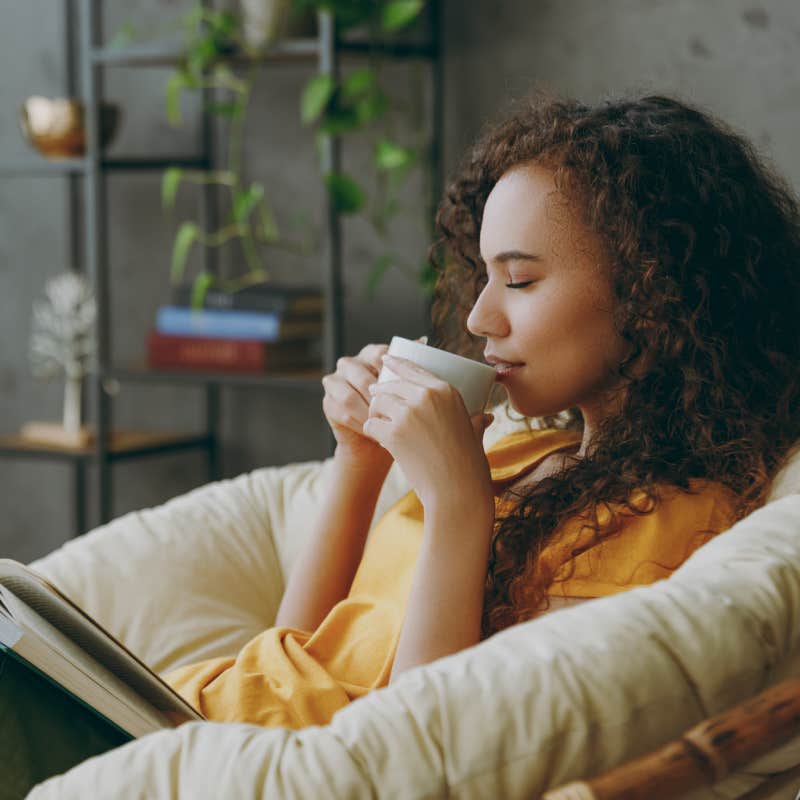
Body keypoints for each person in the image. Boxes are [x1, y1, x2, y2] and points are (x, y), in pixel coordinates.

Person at [163, 92, 800, 729]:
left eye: (519, 281)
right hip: (191, 720)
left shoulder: (659, 524)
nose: (478, 317)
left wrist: (459, 505)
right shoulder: (521, 452)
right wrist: (359, 462)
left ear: (654, 291)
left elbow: (429, 751)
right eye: (484, 276)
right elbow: (294, 658)